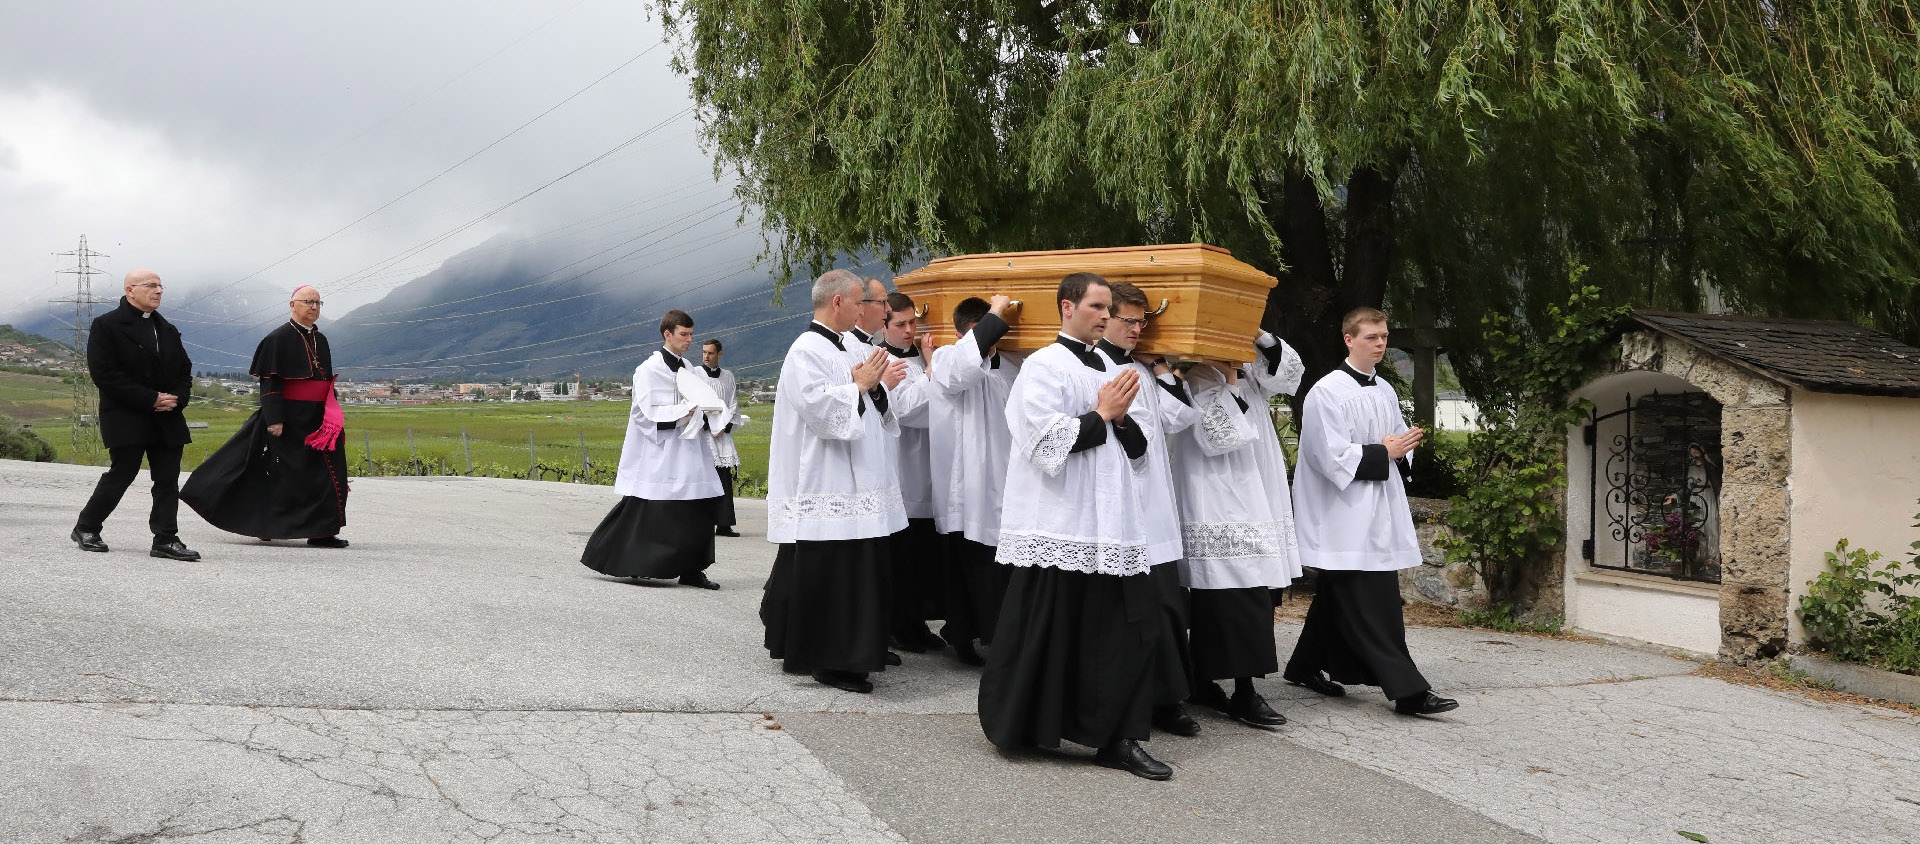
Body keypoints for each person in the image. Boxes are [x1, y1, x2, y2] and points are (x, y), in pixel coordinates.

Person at [978, 272, 1186, 782]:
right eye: (1097, 306)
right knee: (1052, 628)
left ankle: (1119, 737)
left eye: (1108, 307)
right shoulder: (1044, 366)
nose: (1105, 315)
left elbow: (1136, 450)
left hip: (1111, 522)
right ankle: (1025, 721)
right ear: (1067, 308)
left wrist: (1119, 420)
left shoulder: (1114, 368)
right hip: (1061, 522)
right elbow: (1042, 440)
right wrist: (1103, 414)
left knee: (1124, 631)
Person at [1283, 307, 1458, 716]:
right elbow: (1326, 457)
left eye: (1383, 337)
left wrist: (1400, 449)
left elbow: (1396, 445)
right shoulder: (1326, 392)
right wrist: (1384, 452)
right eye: (1371, 337)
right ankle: (1408, 691)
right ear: (1348, 339)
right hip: (1343, 514)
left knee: (1338, 597)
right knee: (1374, 603)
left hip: (1377, 510)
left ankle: (1304, 664)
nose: (1380, 343)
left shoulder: (1384, 391)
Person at [761, 269, 909, 693]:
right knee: (837, 577)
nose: (866, 309)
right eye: (861, 301)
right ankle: (830, 661)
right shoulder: (805, 350)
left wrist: (873, 387)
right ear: (838, 303)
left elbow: (872, 404)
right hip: (827, 479)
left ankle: (855, 652)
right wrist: (859, 386)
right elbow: (821, 412)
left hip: (857, 479)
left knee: (860, 573)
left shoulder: (846, 346)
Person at [1168, 331, 1305, 729]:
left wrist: (1258, 335)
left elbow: (1290, 376)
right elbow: (1219, 437)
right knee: (1234, 592)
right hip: (1218, 496)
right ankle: (1243, 691)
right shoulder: (1195, 376)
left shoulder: (1248, 366)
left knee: (1252, 589)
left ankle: (1205, 679)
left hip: (1257, 487)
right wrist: (1228, 379)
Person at [1094, 281, 1204, 738]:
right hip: (1120, 506)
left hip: (1156, 505)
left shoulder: (1143, 368)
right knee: (1127, 613)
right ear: (1106, 319)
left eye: (1143, 322)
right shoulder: (1093, 366)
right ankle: (1129, 699)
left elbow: (1182, 418)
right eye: (1129, 320)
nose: (1138, 329)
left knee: (1167, 607)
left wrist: (1161, 367)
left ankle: (1168, 699)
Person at [181, 286, 348, 548]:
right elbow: (270, 383)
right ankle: (269, 526)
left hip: (319, 420)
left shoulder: (321, 340)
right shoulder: (278, 338)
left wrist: (333, 415)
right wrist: (274, 419)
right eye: (308, 302)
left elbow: (325, 381)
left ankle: (322, 532)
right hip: (291, 419)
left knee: (326, 473)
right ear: (292, 305)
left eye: (318, 302)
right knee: (285, 475)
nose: (314, 307)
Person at [580, 310, 726, 588]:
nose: (689, 340)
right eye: (684, 334)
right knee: (654, 510)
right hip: (662, 451)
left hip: (691, 450)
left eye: (691, 334)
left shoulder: (691, 370)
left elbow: (704, 401)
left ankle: (693, 569)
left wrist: (713, 414)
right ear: (667, 334)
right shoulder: (648, 370)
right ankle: (639, 563)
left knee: (699, 507)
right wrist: (685, 410)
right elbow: (643, 413)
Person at [71, 269, 200, 561]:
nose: (158, 291)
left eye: (160, 285)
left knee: (168, 478)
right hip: (126, 413)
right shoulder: (107, 326)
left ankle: (165, 539)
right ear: (130, 290)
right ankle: (86, 527)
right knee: (123, 473)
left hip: (167, 415)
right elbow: (104, 374)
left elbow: (184, 370)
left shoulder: (167, 329)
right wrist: (149, 399)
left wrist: (176, 401)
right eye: (151, 285)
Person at [926, 295, 1022, 665]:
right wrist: (997, 311)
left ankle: (1000, 637)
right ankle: (963, 637)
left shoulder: (1015, 366)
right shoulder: (950, 358)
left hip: (1007, 478)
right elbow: (964, 367)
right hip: (966, 486)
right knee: (969, 568)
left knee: (1002, 569)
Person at [876, 291, 945, 653]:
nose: (908, 330)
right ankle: (900, 627)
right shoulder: (883, 362)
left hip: (931, 471)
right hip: (902, 472)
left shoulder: (922, 356)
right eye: (900, 324)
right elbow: (904, 411)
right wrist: (932, 373)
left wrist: (930, 366)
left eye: (913, 323)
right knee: (901, 559)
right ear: (884, 324)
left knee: (923, 559)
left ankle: (917, 623)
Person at [698, 338, 746, 538]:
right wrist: (709, 425)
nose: (706, 357)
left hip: (722, 435)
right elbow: (691, 401)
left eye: (710, 353)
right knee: (701, 478)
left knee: (724, 479)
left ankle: (724, 524)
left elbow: (733, 403)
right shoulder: (696, 374)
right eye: (704, 352)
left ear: (719, 354)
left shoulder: (728, 377)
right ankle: (700, 524)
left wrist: (725, 426)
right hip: (703, 433)